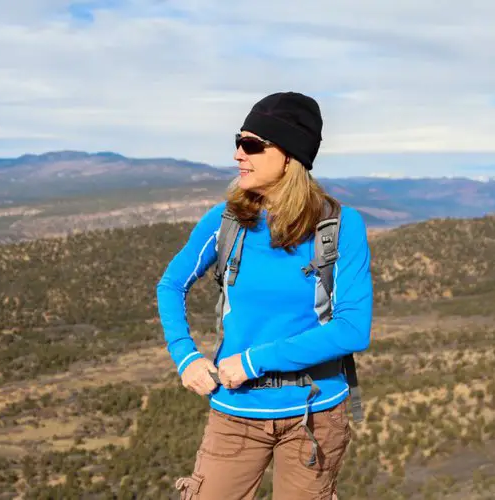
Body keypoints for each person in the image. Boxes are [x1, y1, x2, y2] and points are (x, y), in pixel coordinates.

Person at [156, 91, 373, 499]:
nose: (239, 154)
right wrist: (185, 356)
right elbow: (170, 285)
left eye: (253, 145)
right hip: (237, 410)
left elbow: (352, 329)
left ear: (291, 156)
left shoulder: (341, 226)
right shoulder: (226, 221)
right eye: (238, 142)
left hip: (316, 411)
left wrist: (255, 361)